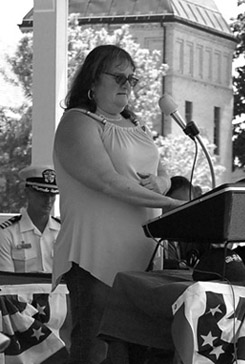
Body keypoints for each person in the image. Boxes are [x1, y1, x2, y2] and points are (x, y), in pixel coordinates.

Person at [52, 44, 183, 364]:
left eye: (132, 79)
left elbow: (160, 173)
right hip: (95, 254)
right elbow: (106, 180)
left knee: (141, 350)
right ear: (92, 82)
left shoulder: (136, 125)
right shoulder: (76, 122)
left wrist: (163, 185)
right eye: (119, 77)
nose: (127, 85)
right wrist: (168, 203)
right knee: (97, 349)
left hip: (142, 258)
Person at [0, 165, 60, 273]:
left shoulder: (64, 231)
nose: (49, 200)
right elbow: (7, 281)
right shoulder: (7, 233)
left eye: (52, 195)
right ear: (27, 193)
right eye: (42, 194)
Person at [163, 176, 208, 269]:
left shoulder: (195, 237)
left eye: (188, 206)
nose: (184, 212)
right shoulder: (147, 234)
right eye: (177, 206)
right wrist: (177, 265)